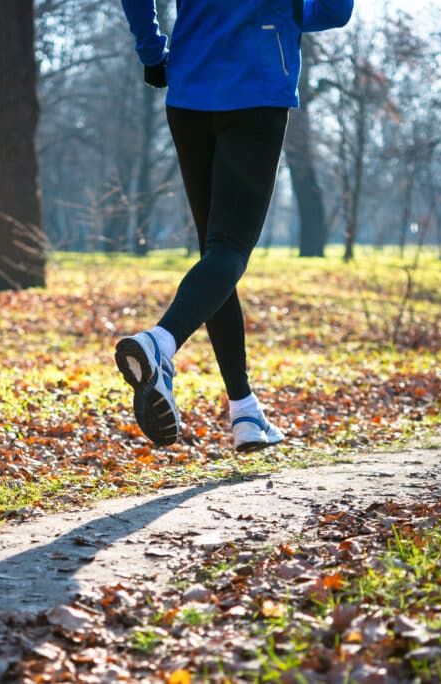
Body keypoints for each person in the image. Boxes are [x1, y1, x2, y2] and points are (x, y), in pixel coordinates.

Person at [116, 0, 354, 451]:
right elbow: (335, 9)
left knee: (216, 257)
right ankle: (159, 343)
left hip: (189, 89)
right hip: (256, 85)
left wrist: (151, 51)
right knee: (228, 250)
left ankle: (245, 411)